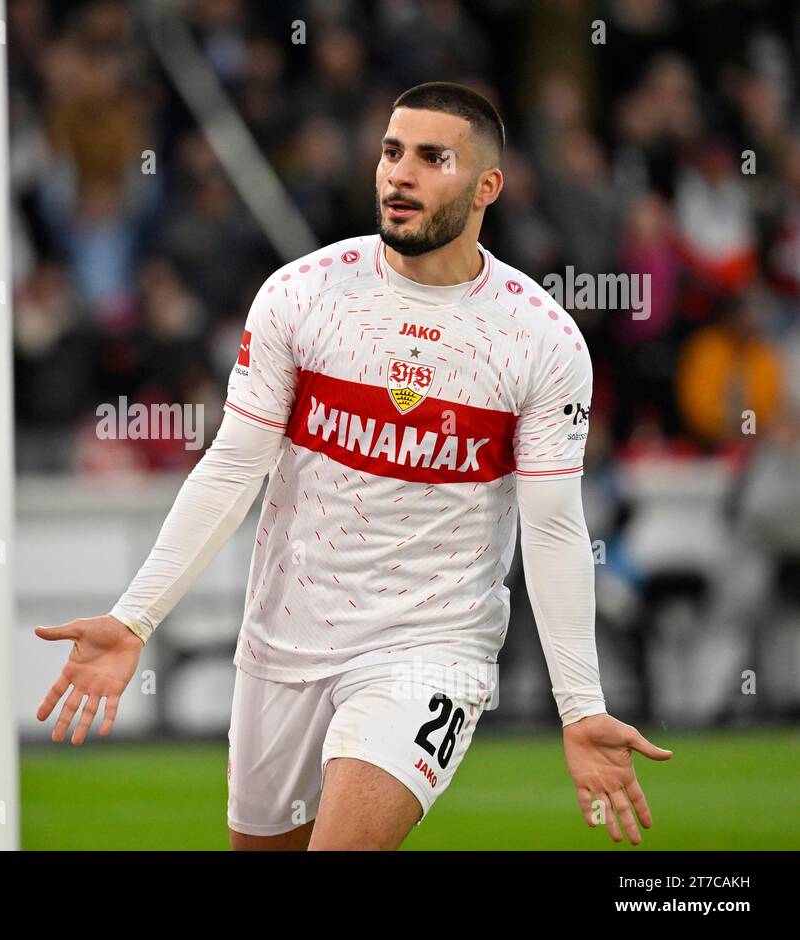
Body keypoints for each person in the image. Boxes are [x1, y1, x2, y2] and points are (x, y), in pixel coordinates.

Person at [35, 82, 672, 850]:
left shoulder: (540, 338)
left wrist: (580, 705)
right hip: (284, 641)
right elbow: (232, 468)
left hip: (430, 647)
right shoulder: (302, 295)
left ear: (487, 186)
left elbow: (554, 528)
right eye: (391, 151)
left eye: (433, 158)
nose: (399, 175)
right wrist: (135, 615)